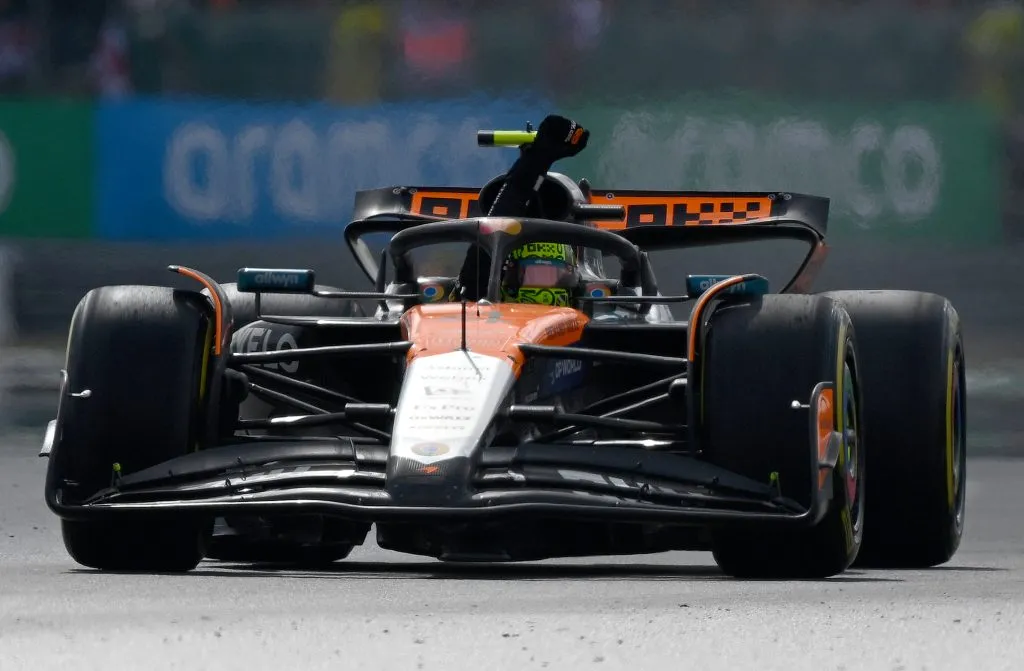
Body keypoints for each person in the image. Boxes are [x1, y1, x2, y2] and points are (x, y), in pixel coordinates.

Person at [454, 114, 589, 303]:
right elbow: (479, 264)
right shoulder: (474, 307)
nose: (541, 286)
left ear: (571, 278)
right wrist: (537, 160)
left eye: (552, 276)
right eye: (530, 274)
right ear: (503, 274)